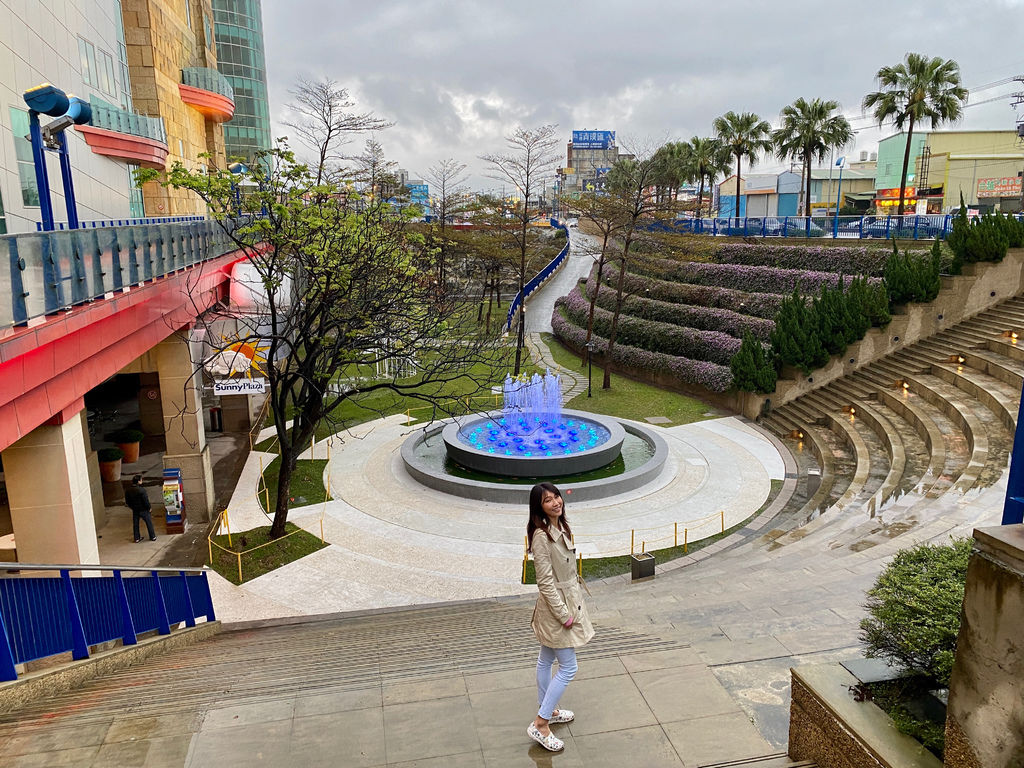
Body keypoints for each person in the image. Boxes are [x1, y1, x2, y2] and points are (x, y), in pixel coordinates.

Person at [526, 482, 594, 752]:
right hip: (557, 609)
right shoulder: (541, 536)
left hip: (564, 604)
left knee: (546, 659)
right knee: (569, 668)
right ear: (538, 507)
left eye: (556, 497)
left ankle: (549, 711)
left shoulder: (560, 526)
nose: (555, 502)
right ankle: (541, 724)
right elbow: (544, 581)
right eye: (547, 500)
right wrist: (564, 615)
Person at [124, 475, 157, 542]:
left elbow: (127, 502)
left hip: (135, 510)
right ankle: (152, 536)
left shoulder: (128, 490)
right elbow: (145, 501)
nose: (142, 481)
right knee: (149, 523)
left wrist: (132, 507)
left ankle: (137, 538)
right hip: (143, 509)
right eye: (141, 480)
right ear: (138, 481)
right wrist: (149, 508)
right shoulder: (142, 490)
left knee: (136, 524)